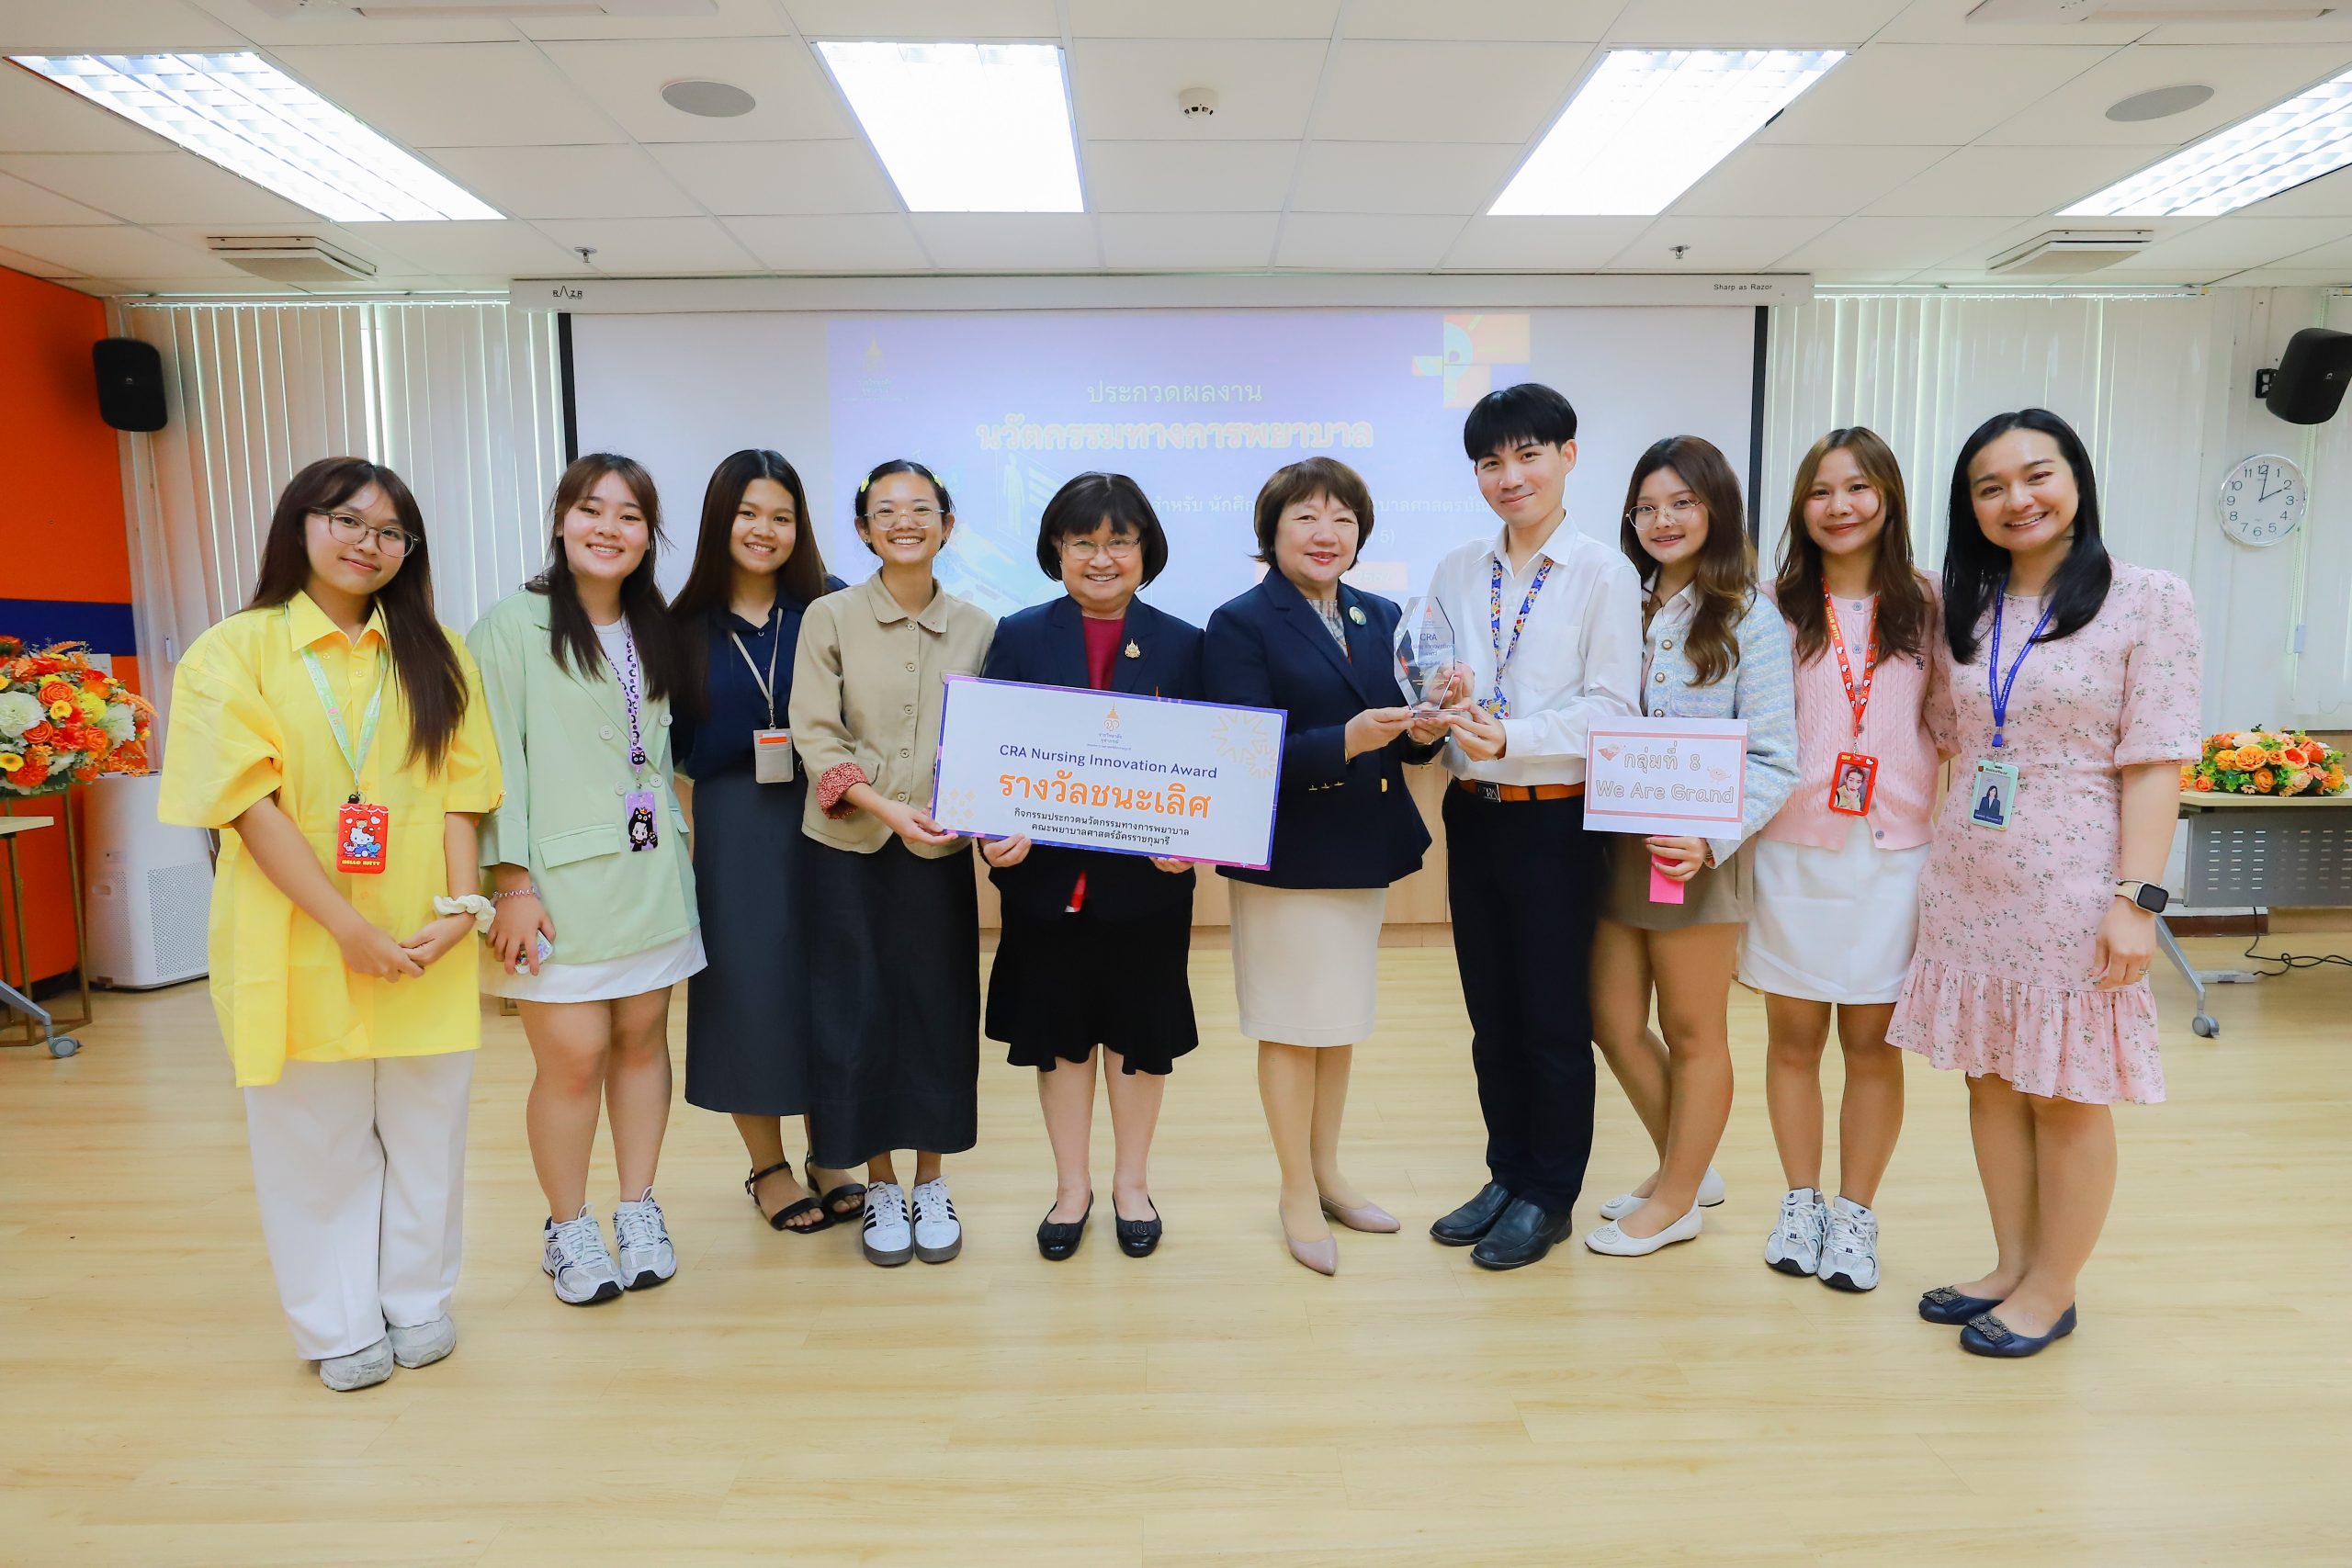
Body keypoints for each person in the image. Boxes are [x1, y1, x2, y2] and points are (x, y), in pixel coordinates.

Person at [158, 457, 499, 1391]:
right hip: (297, 937)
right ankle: (338, 1321)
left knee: (429, 1131)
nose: (368, 543)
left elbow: (465, 795)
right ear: (299, 524)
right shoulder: (233, 651)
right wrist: (347, 927)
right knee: (313, 1141)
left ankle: (417, 1300)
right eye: (347, 520)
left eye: (390, 532)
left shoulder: (438, 651)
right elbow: (247, 808)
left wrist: (462, 909)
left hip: (425, 934)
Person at [1890, 409, 2201, 1358]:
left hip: (2075, 885)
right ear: (1969, 506)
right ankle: (2012, 1264)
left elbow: (2156, 763)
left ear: (2076, 480)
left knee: (2064, 1089)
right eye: (1990, 487)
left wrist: (2136, 902)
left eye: (2037, 475)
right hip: (1969, 878)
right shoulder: (1963, 607)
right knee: (1990, 1079)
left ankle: (2053, 1289)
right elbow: (1949, 734)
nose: (2016, 499)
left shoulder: (2147, 599)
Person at [1202, 456, 1454, 1275]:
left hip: (1362, 848)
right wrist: (1347, 739)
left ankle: (1329, 1173)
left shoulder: (1380, 614)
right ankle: (1295, 1192)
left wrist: (1425, 729)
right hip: (1288, 853)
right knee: (1291, 1024)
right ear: (1271, 531)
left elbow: (1406, 736)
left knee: (1338, 1020)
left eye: (1343, 518)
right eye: (1307, 516)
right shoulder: (1240, 621)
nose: (1327, 532)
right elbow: (1242, 750)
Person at [1420, 383, 1642, 1270]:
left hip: (1555, 820)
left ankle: (1550, 1193)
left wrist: (1514, 735)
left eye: (1528, 455)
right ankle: (1506, 1173)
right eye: (1490, 461)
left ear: (1568, 456)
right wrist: (1437, 693)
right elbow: (1429, 661)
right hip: (1473, 814)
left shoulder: (1602, 573)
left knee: (1551, 1018)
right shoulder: (1457, 568)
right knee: (1492, 1015)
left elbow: (1613, 709)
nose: (1510, 476)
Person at [470, 454, 701, 1305]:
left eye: (630, 515)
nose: (609, 528)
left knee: (643, 1042)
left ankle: (638, 1208)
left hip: (650, 873)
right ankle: (567, 1226)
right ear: (561, 520)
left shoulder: (655, 626)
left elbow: (660, 755)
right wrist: (511, 884)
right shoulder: (512, 625)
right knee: (572, 1058)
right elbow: (495, 762)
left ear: (649, 535)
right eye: (591, 509)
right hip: (553, 888)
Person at [1738, 427, 1943, 1293]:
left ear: (1887, 497)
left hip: (1893, 858)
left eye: (1858, 488)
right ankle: (1801, 1201)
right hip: (1791, 851)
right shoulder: (1769, 607)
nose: (1840, 506)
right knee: (1792, 1039)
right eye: (1821, 491)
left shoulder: (1932, 604)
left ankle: (1855, 1214)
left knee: (1869, 1043)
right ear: (1801, 507)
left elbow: (1956, 721)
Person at [978, 472, 1203, 1261]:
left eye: (1119, 541)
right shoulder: (1018, 634)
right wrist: (991, 830)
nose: (1101, 558)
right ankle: (1071, 1187)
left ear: (1146, 549)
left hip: (1146, 886)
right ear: (1057, 550)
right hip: (1047, 885)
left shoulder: (1185, 643)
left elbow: (1210, 763)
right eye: (1083, 542)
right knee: (1061, 1038)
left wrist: (1196, 834)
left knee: (1140, 1037)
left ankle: (1131, 1184)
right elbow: (988, 754)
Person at [1585, 434, 1798, 1258]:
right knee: (1611, 1019)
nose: (1662, 520)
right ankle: (1687, 1165)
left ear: (1718, 509)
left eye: (1681, 503)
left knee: (1692, 1027)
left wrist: (1709, 840)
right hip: (1616, 844)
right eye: (1646, 507)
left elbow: (1777, 758)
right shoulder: (1619, 600)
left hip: (1697, 855)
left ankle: (1677, 1198)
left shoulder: (1749, 615)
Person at [788, 458, 996, 1268]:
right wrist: (882, 805)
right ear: (864, 528)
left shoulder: (979, 627)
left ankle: (931, 1179)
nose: (904, 521)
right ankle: (879, 1180)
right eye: (886, 510)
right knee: (856, 1011)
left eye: (920, 508)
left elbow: (994, 741)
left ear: (947, 524)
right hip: (847, 847)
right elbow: (815, 730)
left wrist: (967, 811)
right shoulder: (830, 616)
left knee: (937, 1009)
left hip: (938, 850)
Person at [668, 450, 856, 1234]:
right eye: (748, 513)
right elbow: (669, 744)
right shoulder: (679, 624)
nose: (764, 530)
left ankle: (830, 1152)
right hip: (735, 821)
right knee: (749, 987)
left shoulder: (832, 606)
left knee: (831, 984)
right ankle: (768, 1166)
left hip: (830, 816)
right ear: (721, 520)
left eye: (781, 516)